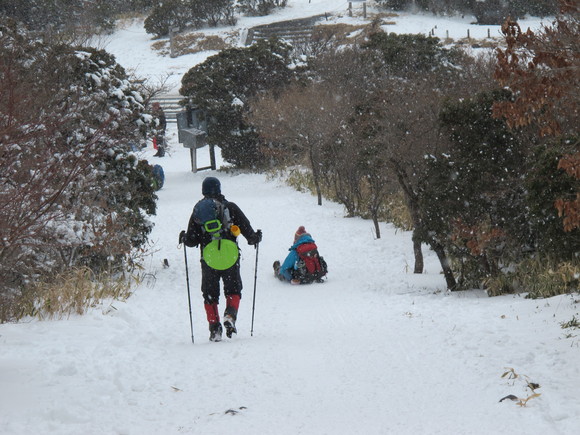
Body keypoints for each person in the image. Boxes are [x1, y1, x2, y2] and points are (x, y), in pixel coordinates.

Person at [179, 177, 262, 342]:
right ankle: (230, 315)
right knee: (233, 289)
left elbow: (191, 241)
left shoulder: (199, 211)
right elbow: (248, 233)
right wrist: (256, 237)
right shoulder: (230, 207)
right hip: (230, 257)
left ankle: (214, 328)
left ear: (203, 191)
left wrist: (183, 237)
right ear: (219, 189)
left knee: (209, 294)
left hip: (209, 259)